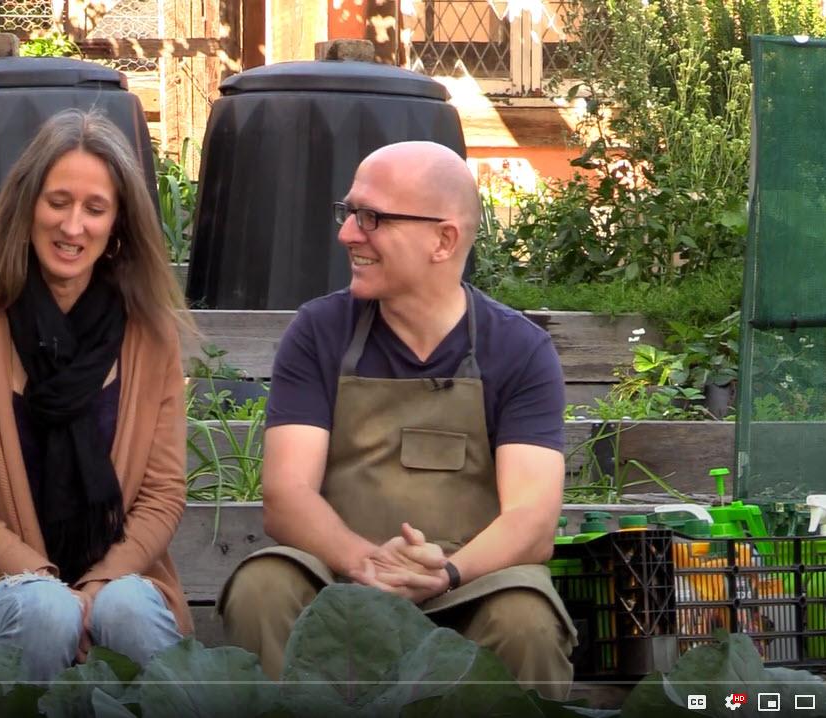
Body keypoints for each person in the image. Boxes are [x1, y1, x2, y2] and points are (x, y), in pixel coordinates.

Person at [219, 141, 577, 698]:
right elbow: (287, 496)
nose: (348, 234)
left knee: (525, 620)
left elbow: (532, 519)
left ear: (444, 239)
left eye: (373, 218)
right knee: (263, 586)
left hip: (468, 589)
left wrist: (445, 574)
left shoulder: (519, 350)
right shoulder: (320, 332)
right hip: (340, 587)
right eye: (350, 213)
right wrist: (367, 563)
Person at [0, 109, 195, 682]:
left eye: (95, 209)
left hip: (119, 577)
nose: (73, 226)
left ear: (118, 225)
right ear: (26, 207)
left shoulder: (151, 335)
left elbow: (163, 494)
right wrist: (49, 585)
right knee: (45, 612)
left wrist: (97, 584)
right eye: (57, 201)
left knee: (130, 609)